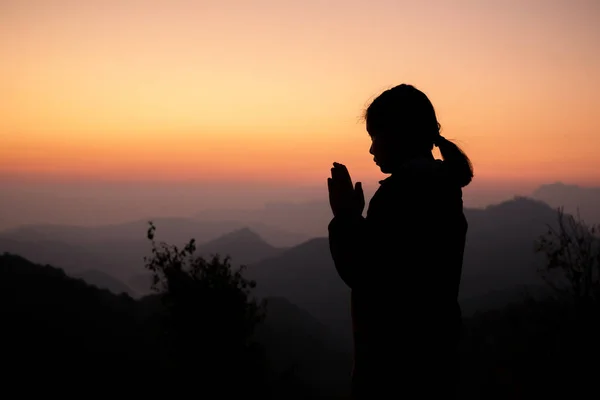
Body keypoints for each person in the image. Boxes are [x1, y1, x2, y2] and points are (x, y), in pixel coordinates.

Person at [327, 84, 472, 399]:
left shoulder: (403, 193)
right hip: (436, 360)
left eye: (375, 137)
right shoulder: (441, 188)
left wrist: (345, 219)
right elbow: (401, 263)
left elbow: (368, 275)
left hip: (397, 369)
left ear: (399, 135)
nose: (371, 149)